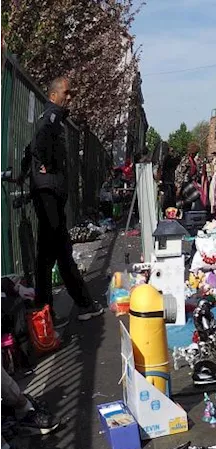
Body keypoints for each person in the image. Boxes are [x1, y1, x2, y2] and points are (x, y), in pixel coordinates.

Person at [25, 76, 104, 324]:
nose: (69, 98)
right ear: (54, 95)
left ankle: (45, 309)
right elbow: (38, 146)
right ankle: (82, 304)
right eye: (67, 94)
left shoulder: (53, 119)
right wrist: (45, 166)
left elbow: (31, 151)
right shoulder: (50, 118)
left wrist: (31, 170)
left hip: (48, 192)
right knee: (61, 250)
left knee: (48, 254)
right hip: (48, 193)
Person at [174, 142, 206, 213]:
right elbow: (180, 173)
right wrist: (178, 187)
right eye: (195, 153)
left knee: (187, 203)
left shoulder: (193, 160)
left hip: (190, 182)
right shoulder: (186, 160)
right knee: (195, 197)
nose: (196, 155)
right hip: (184, 183)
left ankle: (187, 216)